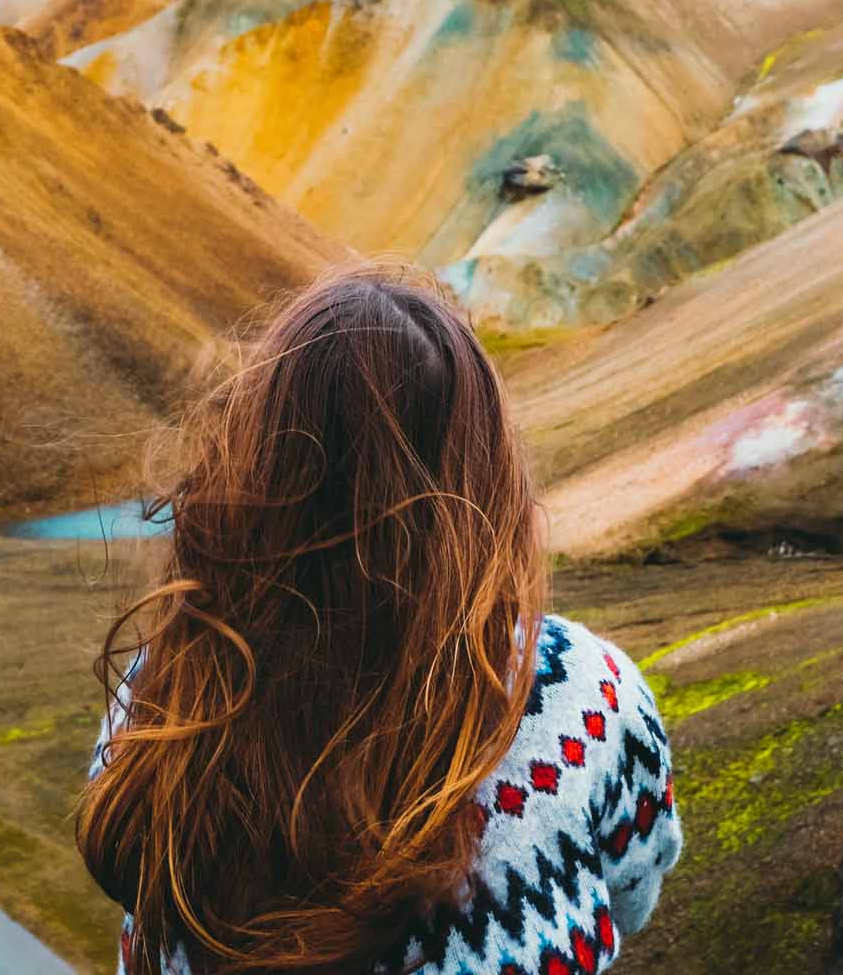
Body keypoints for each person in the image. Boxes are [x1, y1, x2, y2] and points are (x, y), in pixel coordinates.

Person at [77, 264, 681, 975]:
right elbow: (633, 890)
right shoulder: (584, 691)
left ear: (255, 457)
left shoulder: (167, 686)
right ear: (483, 467)